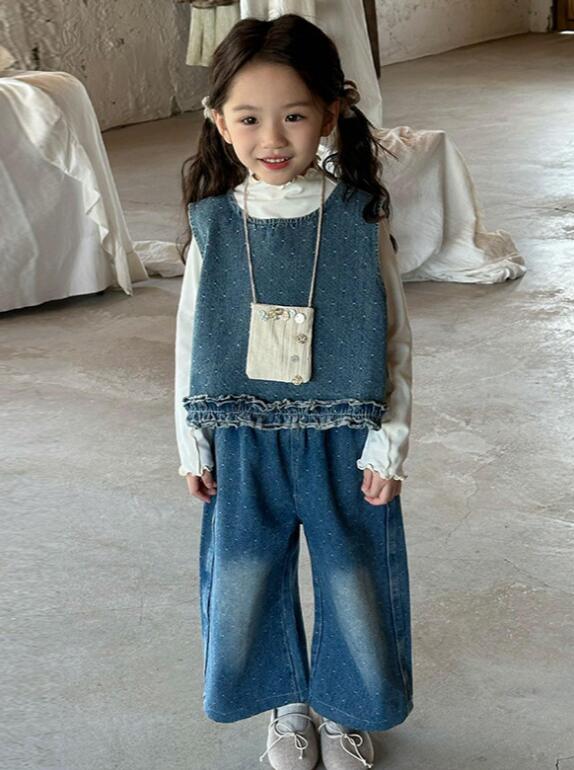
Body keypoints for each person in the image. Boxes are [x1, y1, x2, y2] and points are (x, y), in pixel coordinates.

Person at [174, 14, 413, 770]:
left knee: (353, 580)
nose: (272, 137)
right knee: (247, 580)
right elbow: (190, 342)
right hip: (243, 441)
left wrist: (389, 441)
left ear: (331, 114)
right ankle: (287, 701)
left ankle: (345, 707)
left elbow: (395, 336)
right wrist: (191, 442)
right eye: (248, 118)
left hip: (345, 440)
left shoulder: (359, 216)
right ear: (219, 122)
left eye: (295, 115)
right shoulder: (215, 223)